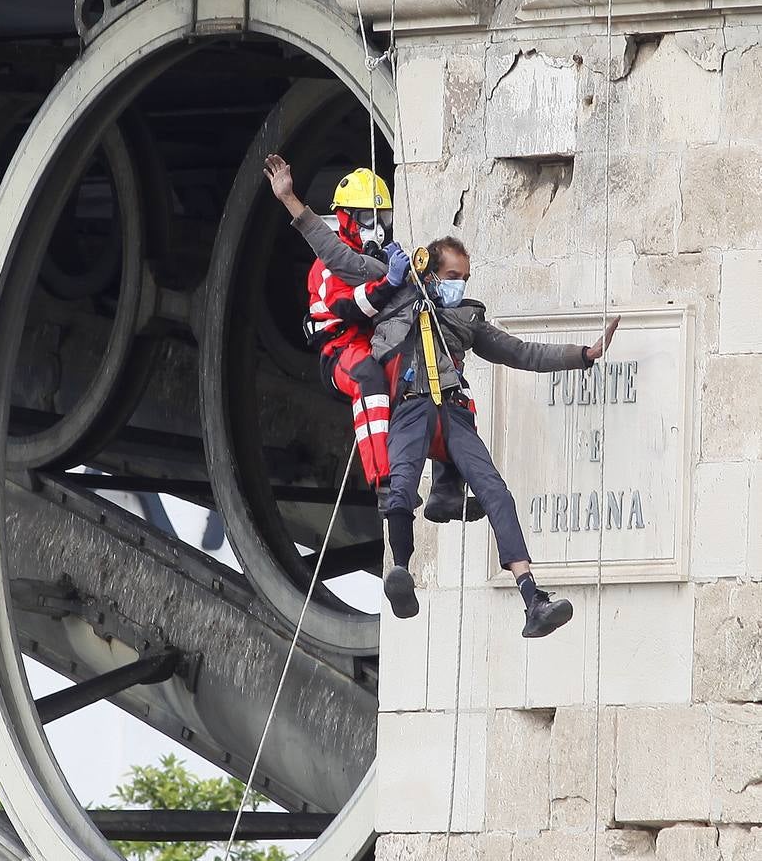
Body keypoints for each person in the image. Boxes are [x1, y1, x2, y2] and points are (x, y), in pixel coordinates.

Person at [369, 236, 620, 633]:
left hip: (452, 411)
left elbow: (520, 352)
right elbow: (344, 263)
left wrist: (583, 355)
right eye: (453, 276)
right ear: (430, 272)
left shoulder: (466, 319)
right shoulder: (395, 300)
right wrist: (294, 206)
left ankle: (532, 599)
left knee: (496, 492)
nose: (460, 285)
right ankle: (401, 571)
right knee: (399, 486)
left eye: (465, 278)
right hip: (412, 407)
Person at [263, 154, 480, 521]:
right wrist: (390, 283)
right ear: (347, 218)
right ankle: (386, 483)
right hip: (342, 352)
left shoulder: (380, 260)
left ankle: (448, 487)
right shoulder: (329, 267)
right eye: (367, 218)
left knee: (446, 387)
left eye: (383, 219)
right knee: (371, 381)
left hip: (379, 346)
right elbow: (353, 308)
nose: (377, 228)